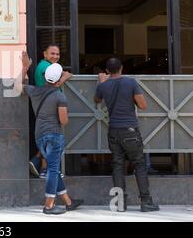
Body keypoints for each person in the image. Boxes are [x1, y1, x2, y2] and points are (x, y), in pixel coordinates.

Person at [18, 51, 83, 215]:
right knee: (53, 170)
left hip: (39, 135)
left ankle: (68, 202)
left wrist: (25, 68)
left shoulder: (34, 91)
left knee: (53, 168)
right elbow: (63, 121)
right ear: (58, 77)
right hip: (54, 135)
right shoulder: (59, 97)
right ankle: (49, 206)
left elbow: (17, 86)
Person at [94, 58, 159, 212]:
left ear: (107, 71)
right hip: (130, 130)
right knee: (139, 165)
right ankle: (146, 202)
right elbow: (143, 105)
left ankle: (120, 203)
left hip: (113, 130)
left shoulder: (103, 85)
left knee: (117, 165)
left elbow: (96, 100)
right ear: (121, 68)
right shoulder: (130, 83)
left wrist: (101, 82)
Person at [30, 44, 72, 178]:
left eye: (57, 54)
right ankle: (44, 169)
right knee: (50, 137)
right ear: (45, 54)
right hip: (49, 107)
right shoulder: (45, 67)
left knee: (48, 137)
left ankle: (37, 160)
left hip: (47, 105)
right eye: (52, 53)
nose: (55, 56)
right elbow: (54, 84)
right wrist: (65, 77)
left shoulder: (46, 66)